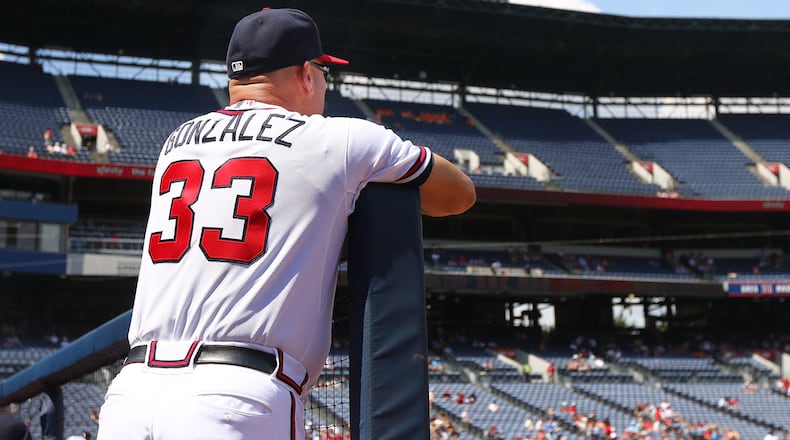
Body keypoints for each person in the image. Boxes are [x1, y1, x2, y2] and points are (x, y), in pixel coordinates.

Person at [96, 7, 475, 440]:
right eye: (322, 72)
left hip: (131, 393)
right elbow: (460, 194)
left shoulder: (175, 142)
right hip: (237, 398)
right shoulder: (341, 139)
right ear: (305, 74)